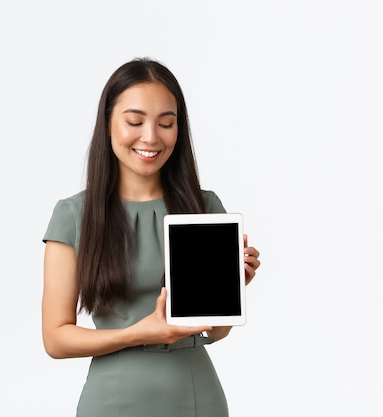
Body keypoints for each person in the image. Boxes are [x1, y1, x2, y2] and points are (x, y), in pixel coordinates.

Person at [42, 57, 261, 417]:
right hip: (112, 400)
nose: (151, 137)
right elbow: (55, 338)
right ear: (109, 125)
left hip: (195, 396)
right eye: (134, 121)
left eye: (166, 123)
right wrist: (139, 333)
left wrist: (232, 287)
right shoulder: (74, 216)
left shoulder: (204, 206)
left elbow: (216, 333)